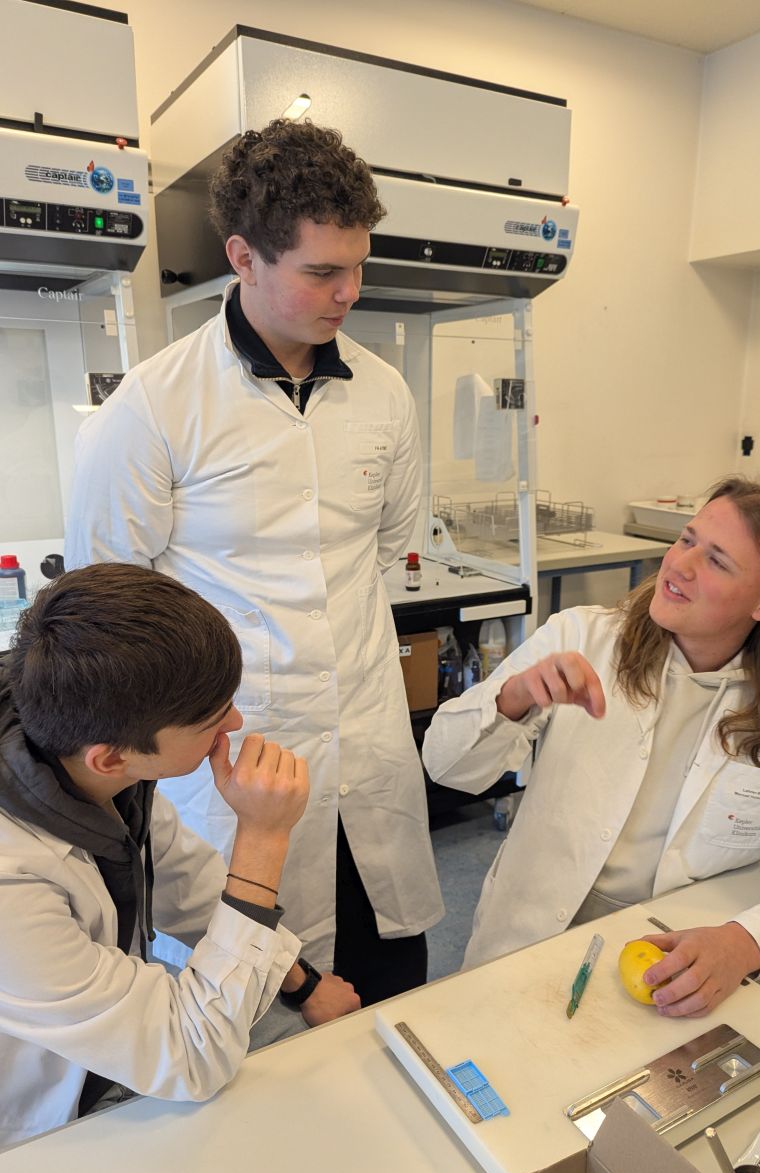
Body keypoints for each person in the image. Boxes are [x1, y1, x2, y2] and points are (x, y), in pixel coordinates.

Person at [64, 119, 444, 1014]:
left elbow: (386, 542)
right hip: (235, 758)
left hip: (367, 743)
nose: (349, 293)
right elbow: (108, 609)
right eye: (321, 271)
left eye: (359, 267)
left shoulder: (385, 394)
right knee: (255, 1017)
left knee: (394, 987)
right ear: (243, 257)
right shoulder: (153, 407)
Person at [423, 478, 760, 1015]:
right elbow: (446, 766)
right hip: (527, 934)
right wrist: (513, 697)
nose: (680, 565)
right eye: (687, 539)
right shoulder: (582, 638)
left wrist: (747, 942)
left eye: (717, 561)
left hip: (671, 960)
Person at [0, 564, 359, 1150]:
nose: (235, 723)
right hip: (35, 1130)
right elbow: (192, 1058)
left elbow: (187, 886)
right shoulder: (11, 883)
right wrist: (263, 837)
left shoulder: (86, 756)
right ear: (110, 758)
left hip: (108, 1066)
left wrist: (304, 984)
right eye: (210, 721)